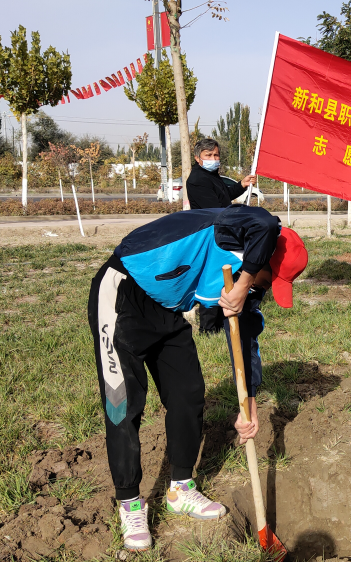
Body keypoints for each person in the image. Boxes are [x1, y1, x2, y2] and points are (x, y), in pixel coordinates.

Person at [87, 204, 307, 551]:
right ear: (260, 259)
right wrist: (245, 281)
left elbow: (246, 336)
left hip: (168, 308)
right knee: (122, 402)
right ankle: (130, 503)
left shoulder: (245, 281)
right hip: (123, 293)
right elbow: (266, 222)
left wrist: (247, 405)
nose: (262, 287)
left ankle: (181, 489)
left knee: (188, 393)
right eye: (268, 278)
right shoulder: (232, 229)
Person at [186, 138, 259, 334]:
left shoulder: (211, 175)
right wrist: (241, 213)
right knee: (212, 279)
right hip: (211, 233)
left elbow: (223, 195)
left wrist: (241, 185)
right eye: (208, 155)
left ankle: (221, 320)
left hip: (220, 231)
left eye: (216, 155)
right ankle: (209, 328)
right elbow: (216, 209)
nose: (213, 158)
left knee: (224, 277)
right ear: (197, 158)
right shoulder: (198, 179)